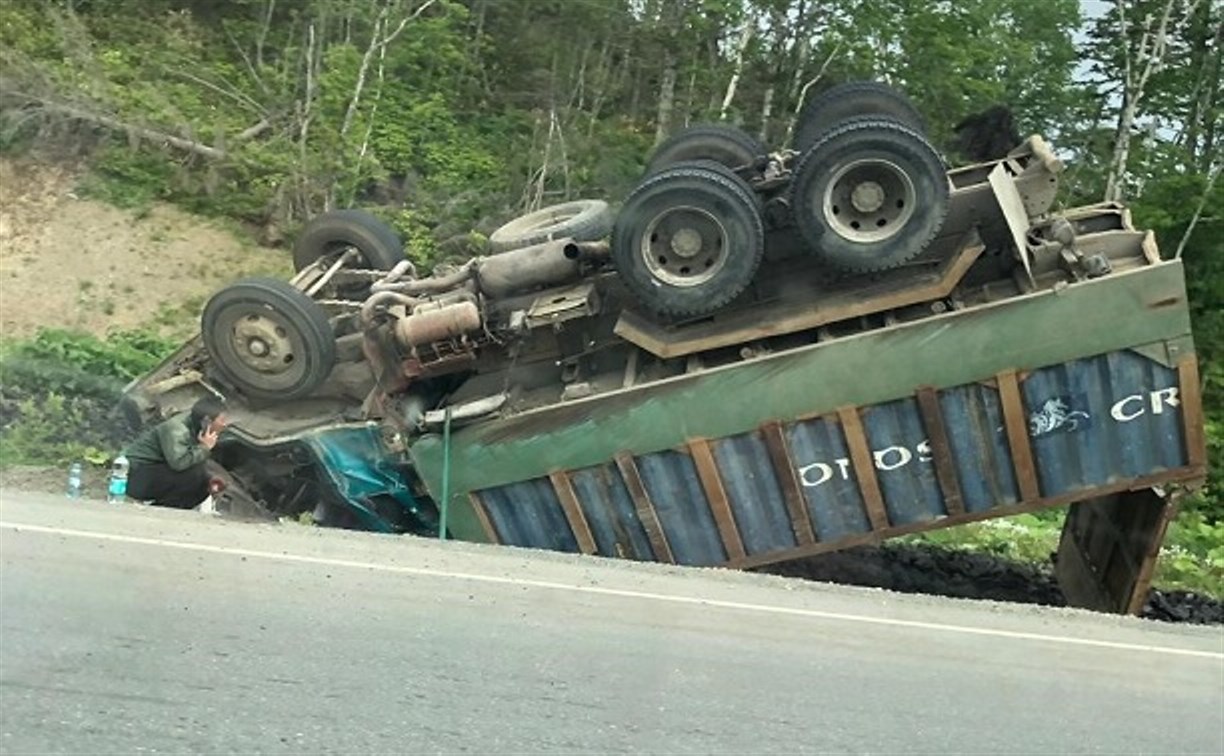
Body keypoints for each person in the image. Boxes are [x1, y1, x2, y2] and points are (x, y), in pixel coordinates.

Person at [124, 396, 228, 509]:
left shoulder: (197, 427)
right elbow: (179, 463)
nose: (224, 424)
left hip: (154, 472)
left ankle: (167, 511)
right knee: (195, 474)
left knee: (205, 483)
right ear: (207, 420)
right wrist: (204, 448)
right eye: (222, 420)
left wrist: (211, 478)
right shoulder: (177, 429)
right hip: (133, 475)